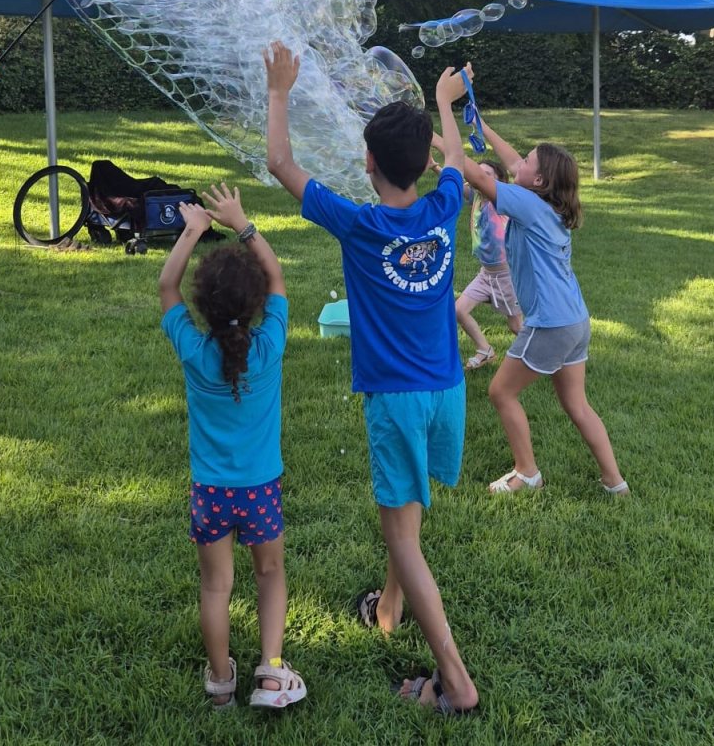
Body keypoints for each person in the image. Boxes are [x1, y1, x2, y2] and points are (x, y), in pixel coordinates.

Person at [265, 41, 479, 716]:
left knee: (402, 536)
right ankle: (388, 609)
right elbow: (457, 164)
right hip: (448, 390)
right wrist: (445, 105)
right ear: (421, 164)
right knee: (409, 515)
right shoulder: (445, 206)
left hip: (396, 399)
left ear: (368, 161)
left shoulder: (359, 226)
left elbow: (280, 164)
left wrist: (279, 90)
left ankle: (456, 681)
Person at [159, 182, 306, 712]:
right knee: (269, 574)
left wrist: (192, 230)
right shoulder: (268, 346)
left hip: (211, 493)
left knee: (216, 587)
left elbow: (166, 288)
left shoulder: (194, 351)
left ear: (202, 305)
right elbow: (278, 277)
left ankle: (220, 683)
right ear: (257, 305)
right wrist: (242, 223)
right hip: (260, 489)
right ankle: (270, 672)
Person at [432, 107, 630, 497]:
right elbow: (508, 160)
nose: (516, 161)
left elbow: (473, 173)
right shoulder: (548, 205)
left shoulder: (525, 205)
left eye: (526, 161)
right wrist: (482, 126)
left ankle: (527, 473)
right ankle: (615, 482)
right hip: (576, 321)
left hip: (552, 324)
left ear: (537, 179)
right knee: (577, 405)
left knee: (500, 392)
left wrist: (438, 141)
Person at [453, 158, 523, 370]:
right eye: (477, 174)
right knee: (458, 310)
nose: (478, 178)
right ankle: (485, 350)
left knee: (516, 325)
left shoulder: (498, 201)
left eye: (486, 175)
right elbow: (455, 185)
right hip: (485, 274)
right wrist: (437, 166)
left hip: (505, 275)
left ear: (498, 181)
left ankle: (552, 356)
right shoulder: (476, 198)